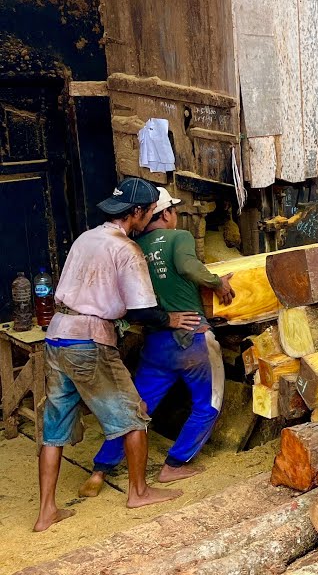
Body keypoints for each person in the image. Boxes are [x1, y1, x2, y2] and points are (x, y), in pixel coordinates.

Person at [36, 178, 202, 532]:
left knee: (54, 428)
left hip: (57, 337)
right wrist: (171, 317)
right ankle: (139, 491)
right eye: (147, 212)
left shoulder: (87, 237)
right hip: (89, 341)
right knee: (135, 414)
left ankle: (46, 511)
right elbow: (142, 309)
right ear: (138, 213)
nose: (147, 219)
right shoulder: (126, 249)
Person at [79, 188, 235, 498]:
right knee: (208, 404)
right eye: (173, 211)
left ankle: (100, 469)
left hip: (156, 341)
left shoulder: (133, 246)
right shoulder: (179, 238)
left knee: (138, 409)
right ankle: (175, 464)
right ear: (165, 214)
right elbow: (190, 268)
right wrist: (219, 284)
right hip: (192, 340)